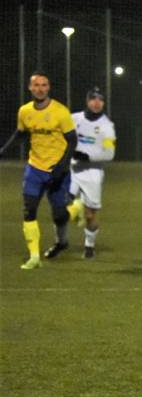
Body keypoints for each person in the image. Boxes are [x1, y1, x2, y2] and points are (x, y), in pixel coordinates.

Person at [0, 72, 77, 269]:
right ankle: (34, 257)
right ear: (30, 88)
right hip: (34, 168)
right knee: (29, 209)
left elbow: (72, 140)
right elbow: (21, 133)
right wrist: (4, 150)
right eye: (36, 85)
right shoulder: (24, 111)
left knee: (59, 215)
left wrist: (61, 167)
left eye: (44, 85)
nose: (40, 89)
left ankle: (73, 215)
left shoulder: (61, 111)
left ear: (48, 88)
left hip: (57, 169)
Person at [66, 87, 116, 259]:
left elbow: (109, 154)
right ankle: (61, 239)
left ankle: (89, 246)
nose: (97, 102)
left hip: (92, 173)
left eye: (100, 99)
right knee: (61, 205)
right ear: (87, 101)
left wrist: (87, 156)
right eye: (93, 99)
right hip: (72, 170)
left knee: (90, 215)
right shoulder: (74, 118)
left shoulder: (107, 126)